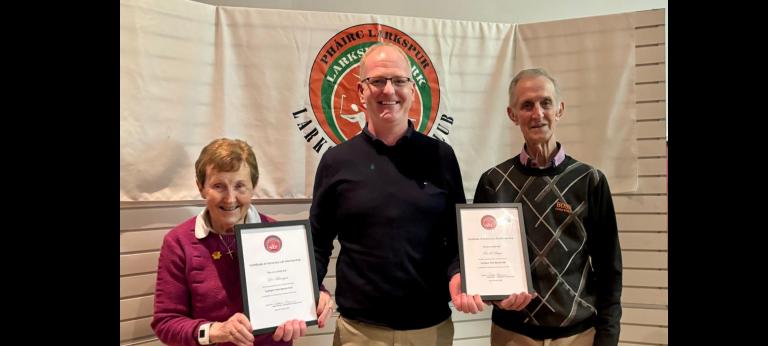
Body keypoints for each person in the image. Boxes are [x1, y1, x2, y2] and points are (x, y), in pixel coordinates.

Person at [309, 42, 466, 346]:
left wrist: (459, 272)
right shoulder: (336, 161)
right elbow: (317, 242)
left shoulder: (441, 156)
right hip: (359, 334)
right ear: (361, 91)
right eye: (377, 81)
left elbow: (457, 236)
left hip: (430, 331)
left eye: (399, 81)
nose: (389, 91)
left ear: (412, 89)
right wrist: (312, 285)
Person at [465, 68, 623, 345]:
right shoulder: (493, 182)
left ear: (559, 109)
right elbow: (482, 266)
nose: (537, 113)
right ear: (512, 115)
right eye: (527, 105)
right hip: (512, 335)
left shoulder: (589, 180)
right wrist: (496, 296)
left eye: (545, 103)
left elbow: (609, 269)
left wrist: (607, 337)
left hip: (578, 336)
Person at [151, 138, 334, 346]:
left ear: (253, 187)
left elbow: (306, 286)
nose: (230, 199)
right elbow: (165, 323)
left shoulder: (279, 233)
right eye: (218, 186)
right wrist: (214, 331)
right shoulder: (179, 242)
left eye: (240, 186)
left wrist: (319, 298)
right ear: (201, 187)